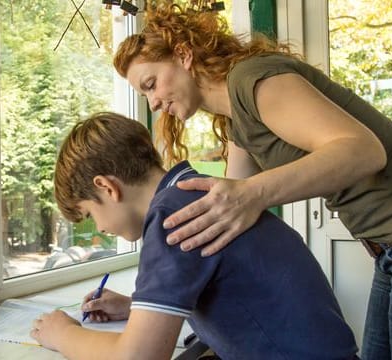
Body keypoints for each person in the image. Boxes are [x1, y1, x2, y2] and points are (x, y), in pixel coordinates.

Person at [112, 2, 392, 359]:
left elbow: (365, 151)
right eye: (144, 95)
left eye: (151, 84)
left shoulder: (253, 80)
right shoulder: (234, 120)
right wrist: (147, 306)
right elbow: (228, 218)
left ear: (183, 54)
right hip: (391, 248)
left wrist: (253, 194)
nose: (154, 103)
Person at [30, 112, 358, 359]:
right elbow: (227, 289)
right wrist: (136, 308)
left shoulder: (171, 215)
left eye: (90, 214)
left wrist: (63, 334)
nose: (100, 228)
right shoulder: (193, 191)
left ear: (107, 187)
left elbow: (138, 356)